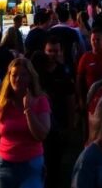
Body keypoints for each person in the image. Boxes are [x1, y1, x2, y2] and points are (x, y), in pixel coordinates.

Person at [0, 58, 51, 188]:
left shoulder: (40, 101)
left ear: (30, 77)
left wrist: (28, 110)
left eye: (23, 75)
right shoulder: (1, 104)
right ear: (9, 77)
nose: (18, 79)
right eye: (14, 75)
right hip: (3, 165)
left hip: (31, 164)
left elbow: (41, 135)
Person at [33, 39, 76, 188]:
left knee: (55, 163)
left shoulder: (64, 71)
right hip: (39, 123)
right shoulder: (37, 72)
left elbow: (70, 98)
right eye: (50, 51)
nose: (52, 54)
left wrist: (71, 125)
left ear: (61, 52)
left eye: (56, 51)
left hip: (59, 123)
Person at [76, 30, 102, 116]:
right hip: (90, 98)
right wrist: (81, 99)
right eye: (93, 39)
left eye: (98, 40)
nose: (95, 42)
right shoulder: (85, 57)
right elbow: (79, 79)